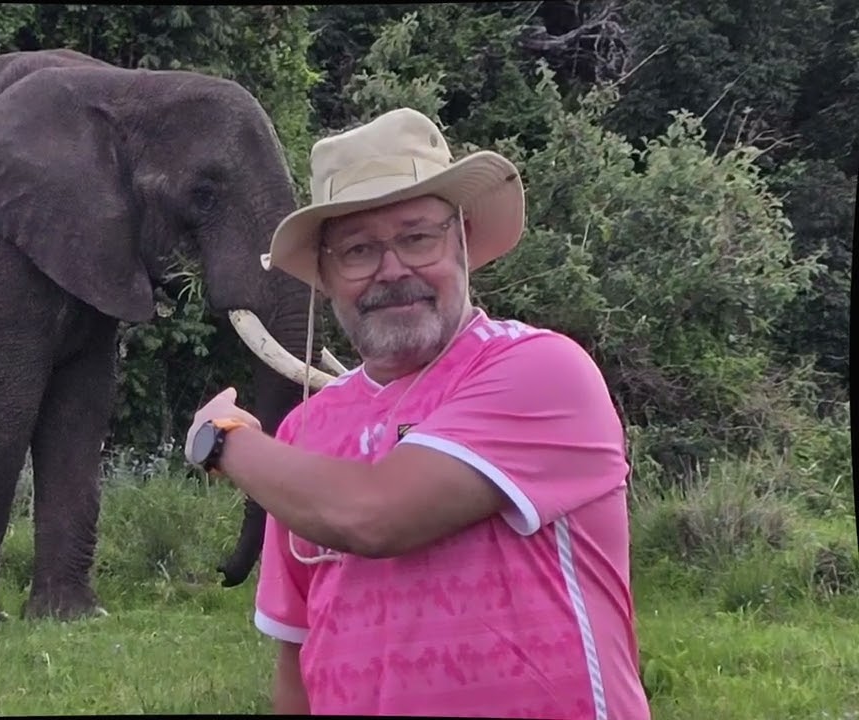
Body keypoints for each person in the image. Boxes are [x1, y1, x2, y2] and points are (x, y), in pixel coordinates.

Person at [183, 108, 651, 719]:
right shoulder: (302, 433)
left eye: (417, 237)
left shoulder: (541, 372)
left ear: (461, 240)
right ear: (324, 276)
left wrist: (226, 440)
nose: (392, 269)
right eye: (358, 250)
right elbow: (298, 656)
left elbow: (375, 516)